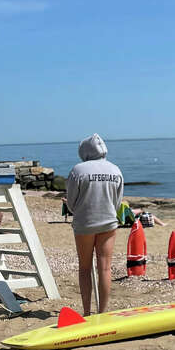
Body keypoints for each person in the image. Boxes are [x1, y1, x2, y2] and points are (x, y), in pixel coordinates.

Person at [66, 133, 123, 315]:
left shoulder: (78, 170)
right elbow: (117, 202)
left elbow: (72, 202)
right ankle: (103, 311)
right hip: (108, 222)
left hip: (85, 222)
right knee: (105, 268)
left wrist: (77, 210)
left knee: (85, 268)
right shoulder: (115, 170)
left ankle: (86, 311)